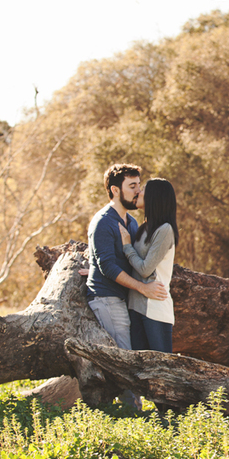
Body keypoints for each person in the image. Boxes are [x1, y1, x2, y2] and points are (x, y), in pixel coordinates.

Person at [85, 163, 168, 408]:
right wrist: (143, 288)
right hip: (107, 297)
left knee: (133, 353)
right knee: (125, 356)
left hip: (125, 298)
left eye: (138, 186)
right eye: (132, 186)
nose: (137, 191)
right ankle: (132, 415)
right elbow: (108, 267)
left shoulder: (130, 222)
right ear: (115, 190)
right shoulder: (103, 221)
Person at [118, 178, 178, 353]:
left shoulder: (165, 230)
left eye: (143, 188)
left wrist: (127, 246)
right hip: (135, 305)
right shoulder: (143, 228)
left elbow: (145, 269)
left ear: (154, 196)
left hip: (155, 308)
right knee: (139, 370)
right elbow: (130, 265)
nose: (138, 192)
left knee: (162, 369)